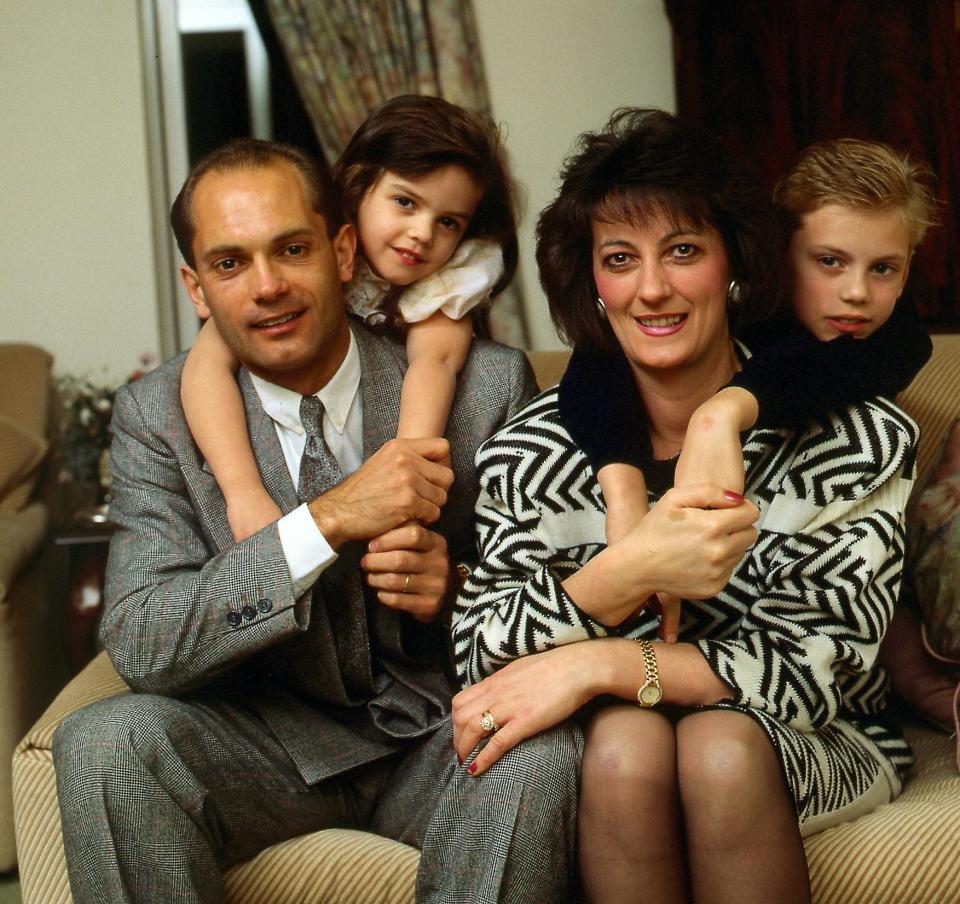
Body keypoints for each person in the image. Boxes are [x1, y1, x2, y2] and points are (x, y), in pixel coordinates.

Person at [52, 137, 581, 904]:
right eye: (230, 264)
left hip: (439, 735)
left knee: (547, 752)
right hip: (257, 742)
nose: (267, 286)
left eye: (291, 249)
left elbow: (561, 598)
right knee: (104, 744)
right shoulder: (157, 415)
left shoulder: (486, 384)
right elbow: (144, 641)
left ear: (340, 251)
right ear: (197, 290)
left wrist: (456, 586)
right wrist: (324, 521)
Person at [451, 109, 919, 903]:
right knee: (626, 745)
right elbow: (480, 658)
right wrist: (624, 571)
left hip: (802, 738)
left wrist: (599, 661)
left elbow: (811, 675)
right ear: (592, 283)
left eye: (683, 252)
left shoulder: (860, 435)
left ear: (734, 263)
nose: (653, 289)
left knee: (717, 750)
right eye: (620, 259)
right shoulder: (525, 454)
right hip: (612, 745)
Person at [557, 138, 936, 628]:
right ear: (777, 254)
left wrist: (722, 412)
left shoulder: (891, 339)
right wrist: (625, 494)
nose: (857, 293)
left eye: (883, 268)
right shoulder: (730, 314)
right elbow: (596, 357)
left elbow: (838, 364)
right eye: (829, 261)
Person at [181, 95, 517, 541]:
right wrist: (242, 493)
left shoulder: (448, 284)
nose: (422, 233)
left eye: (449, 222)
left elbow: (432, 369)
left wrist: (405, 500)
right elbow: (204, 366)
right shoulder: (308, 257)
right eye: (405, 202)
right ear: (359, 188)